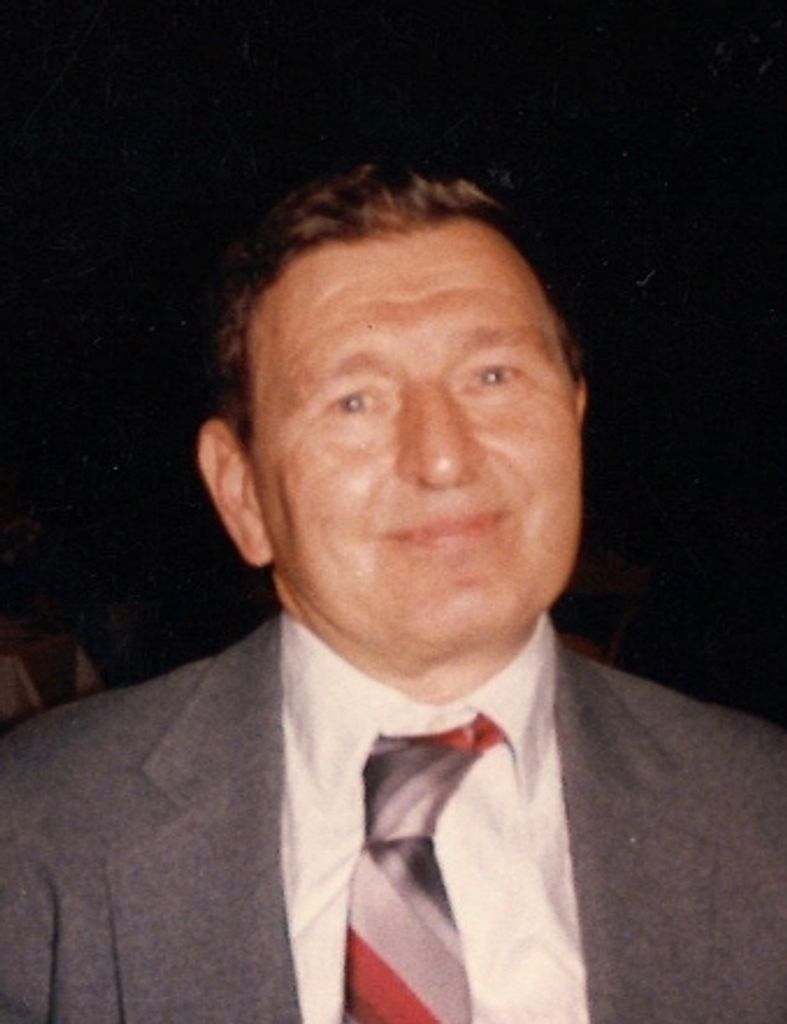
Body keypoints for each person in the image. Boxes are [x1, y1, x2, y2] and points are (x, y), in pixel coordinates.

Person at [1, 164, 785, 1024]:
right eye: (355, 401)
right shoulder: (39, 829)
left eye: (492, 376)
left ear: (573, 421)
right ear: (242, 494)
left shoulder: (761, 813)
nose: (442, 456)